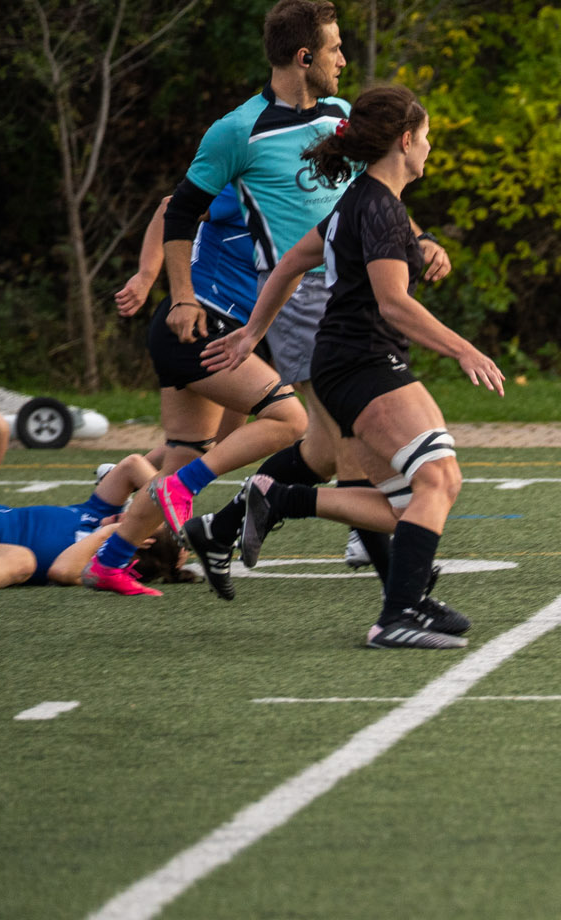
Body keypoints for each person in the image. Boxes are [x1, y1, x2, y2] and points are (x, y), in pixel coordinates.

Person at [159, 0, 450, 590]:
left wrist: (419, 238)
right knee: (349, 439)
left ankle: (223, 527)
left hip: (350, 292)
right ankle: (395, 579)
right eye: (336, 48)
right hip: (303, 298)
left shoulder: (344, 115)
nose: (344, 59)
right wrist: (181, 294)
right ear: (304, 56)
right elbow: (180, 212)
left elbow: (370, 198)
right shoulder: (237, 131)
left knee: (319, 446)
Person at [204, 83, 503, 649]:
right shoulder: (382, 210)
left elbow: (292, 259)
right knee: (438, 479)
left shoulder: (358, 199)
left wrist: (253, 333)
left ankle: (282, 499)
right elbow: (393, 302)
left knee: (399, 506)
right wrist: (463, 348)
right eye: (428, 137)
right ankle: (397, 615)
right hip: (364, 362)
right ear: (405, 140)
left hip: (347, 363)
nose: (431, 148)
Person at [81, 187, 307, 597]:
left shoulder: (312, 192)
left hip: (211, 332)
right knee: (290, 419)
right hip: (201, 324)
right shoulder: (255, 181)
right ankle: (181, 487)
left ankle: (109, 561)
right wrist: (146, 275)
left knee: (189, 455)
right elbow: (171, 207)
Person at [0, 415, 181, 592]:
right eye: (142, 514)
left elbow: (61, 571)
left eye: (141, 525)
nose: (133, 515)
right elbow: (132, 465)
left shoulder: (99, 564)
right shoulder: (101, 511)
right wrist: (180, 527)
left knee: (22, 560)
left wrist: (110, 535)